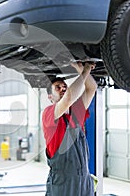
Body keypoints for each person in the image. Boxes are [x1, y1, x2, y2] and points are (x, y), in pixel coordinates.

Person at [42, 61, 97, 196]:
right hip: (63, 185)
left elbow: (92, 88)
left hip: (84, 183)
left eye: (64, 86)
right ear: (50, 97)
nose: (62, 89)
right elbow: (68, 99)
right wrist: (84, 72)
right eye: (57, 88)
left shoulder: (76, 113)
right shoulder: (48, 113)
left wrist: (82, 69)